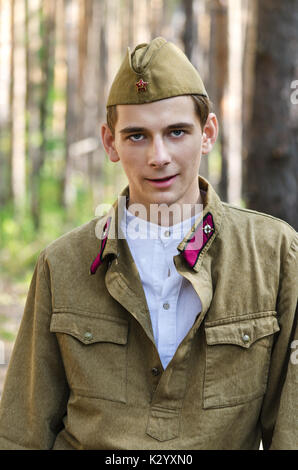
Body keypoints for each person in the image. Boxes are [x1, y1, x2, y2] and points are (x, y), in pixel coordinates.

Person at [0, 37, 297, 450]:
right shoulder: (62, 264)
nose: (158, 156)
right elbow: (22, 430)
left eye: (177, 132)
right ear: (110, 143)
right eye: (137, 136)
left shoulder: (275, 255)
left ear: (208, 133)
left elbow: (291, 427)